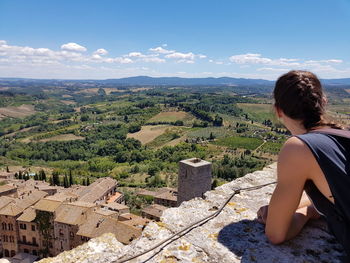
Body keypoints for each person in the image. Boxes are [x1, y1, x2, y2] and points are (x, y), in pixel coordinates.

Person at [256, 70, 350, 259]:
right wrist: (312, 206)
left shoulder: (299, 148)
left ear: (278, 110)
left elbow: (275, 234)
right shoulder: (344, 135)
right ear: (323, 102)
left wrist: (305, 213)